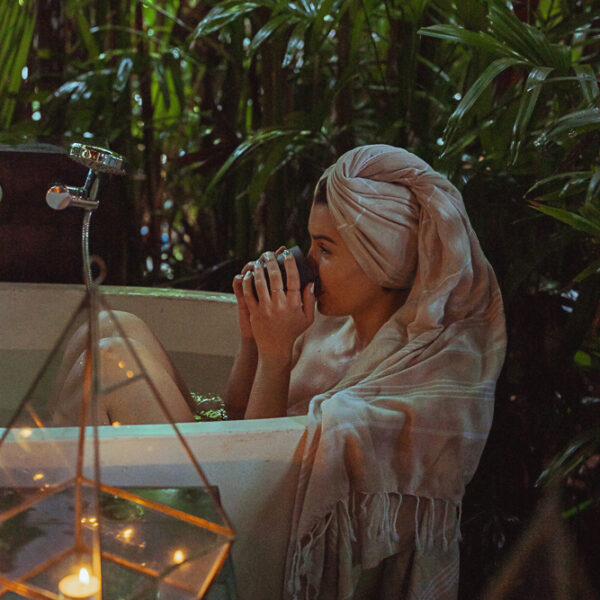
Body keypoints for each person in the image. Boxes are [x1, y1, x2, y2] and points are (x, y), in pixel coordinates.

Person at [51, 145, 506, 599]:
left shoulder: (420, 378)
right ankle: (64, 539)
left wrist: (276, 356)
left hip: (263, 538)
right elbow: (230, 418)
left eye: (325, 250)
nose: (307, 262)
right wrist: (253, 341)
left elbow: (260, 470)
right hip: (235, 482)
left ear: (382, 260)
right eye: (311, 242)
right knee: (111, 329)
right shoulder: (328, 326)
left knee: (113, 362)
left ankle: (56, 547)